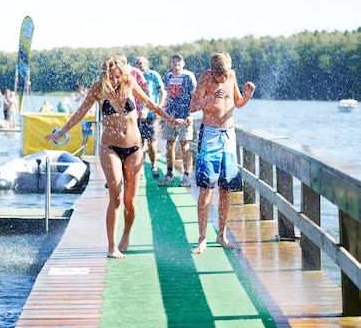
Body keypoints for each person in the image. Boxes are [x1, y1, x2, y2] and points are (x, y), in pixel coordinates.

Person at [45, 55, 186, 259]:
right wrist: (61, 132)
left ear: (123, 74)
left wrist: (171, 119)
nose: (114, 80)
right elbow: (80, 113)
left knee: (131, 202)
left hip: (134, 148)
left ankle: (126, 234)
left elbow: (149, 103)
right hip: (110, 147)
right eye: (111, 77)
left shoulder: (129, 83)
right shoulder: (98, 88)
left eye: (117, 76)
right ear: (104, 75)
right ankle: (112, 246)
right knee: (116, 196)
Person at [190, 52, 256, 254]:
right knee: (206, 188)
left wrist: (247, 96)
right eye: (221, 76)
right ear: (213, 72)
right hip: (209, 134)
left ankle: (222, 235)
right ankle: (202, 238)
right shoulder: (205, 78)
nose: (224, 79)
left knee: (226, 188)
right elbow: (193, 107)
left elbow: (237, 103)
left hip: (228, 135)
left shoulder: (232, 75)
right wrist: (210, 97)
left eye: (226, 74)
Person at [158, 54, 197, 187]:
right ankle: (169, 174)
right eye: (174, 61)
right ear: (171, 64)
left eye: (179, 61)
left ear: (183, 63)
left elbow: (194, 97)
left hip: (184, 117)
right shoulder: (168, 76)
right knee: (169, 145)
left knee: (185, 145)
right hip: (170, 116)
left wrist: (190, 115)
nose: (176, 63)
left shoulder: (188, 76)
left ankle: (186, 176)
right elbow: (167, 95)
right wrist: (163, 115)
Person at [136, 56, 167, 180]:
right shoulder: (135, 76)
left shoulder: (153, 75)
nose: (140, 65)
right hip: (138, 115)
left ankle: (153, 166)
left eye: (142, 63)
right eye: (137, 63)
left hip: (151, 115)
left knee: (152, 144)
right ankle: (141, 171)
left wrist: (158, 109)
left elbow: (163, 93)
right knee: (139, 144)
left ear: (147, 64)